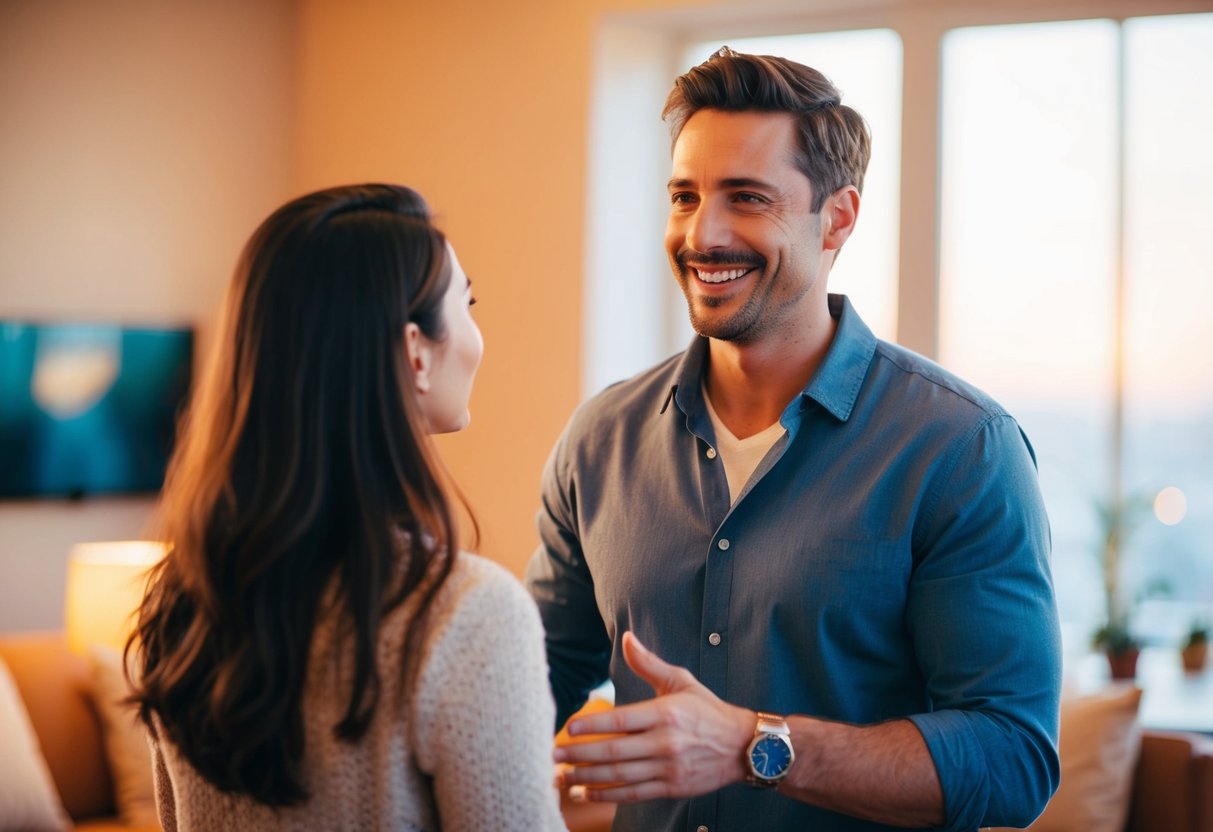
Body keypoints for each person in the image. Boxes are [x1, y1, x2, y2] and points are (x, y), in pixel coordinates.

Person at [526, 47, 1061, 831]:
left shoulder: (960, 450)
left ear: (837, 216)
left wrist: (751, 745)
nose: (701, 234)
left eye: (745, 198)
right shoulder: (598, 440)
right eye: (683, 196)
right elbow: (528, 678)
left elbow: (1011, 758)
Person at [129, 184, 568, 831]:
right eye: (466, 303)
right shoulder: (464, 614)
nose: (477, 335)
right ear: (416, 352)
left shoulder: (181, 603)